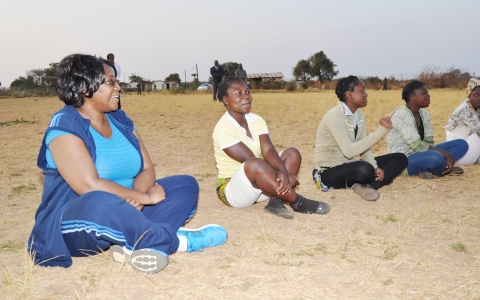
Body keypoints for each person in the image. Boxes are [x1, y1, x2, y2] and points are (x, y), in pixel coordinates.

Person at [28, 54, 227, 275]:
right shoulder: (64, 125)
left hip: (128, 208)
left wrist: (136, 197)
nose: (118, 88)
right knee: (99, 201)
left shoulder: (120, 119)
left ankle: (131, 244)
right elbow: (88, 186)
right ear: (85, 88)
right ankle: (175, 241)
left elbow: (146, 168)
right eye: (111, 82)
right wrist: (145, 198)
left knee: (185, 185)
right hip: (79, 221)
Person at [213, 76, 330, 219]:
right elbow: (250, 159)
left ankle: (276, 201)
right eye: (239, 93)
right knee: (255, 164)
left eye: (248, 92)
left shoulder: (256, 120)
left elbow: (268, 150)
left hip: (264, 185)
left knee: (292, 154)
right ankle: (298, 203)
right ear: (225, 99)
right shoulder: (223, 128)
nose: (246, 97)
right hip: (235, 191)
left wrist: (282, 171)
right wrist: (284, 176)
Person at [313, 76, 408, 201]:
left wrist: (375, 167)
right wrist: (381, 131)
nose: (366, 94)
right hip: (328, 172)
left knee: (400, 158)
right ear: (349, 94)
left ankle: (366, 185)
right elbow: (349, 151)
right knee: (364, 169)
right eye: (362, 91)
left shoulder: (358, 115)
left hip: (349, 165)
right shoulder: (335, 115)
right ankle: (365, 183)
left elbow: (364, 147)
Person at [387, 80, 468, 179]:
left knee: (461, 144)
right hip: (404, 160)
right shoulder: (401, 114)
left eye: (428, 93)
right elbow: (416, 145)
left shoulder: (424, 114)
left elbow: (429, 142)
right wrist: (445, 154)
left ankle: (433, 168)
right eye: (424, 93)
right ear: (412, 97)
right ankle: (441, 168)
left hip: (421, 154)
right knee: (436, 157)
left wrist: (443, 154)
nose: (428, 96)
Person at [444, 78, 480, 164]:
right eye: (475, 95)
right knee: (477, 135)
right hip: (458, 155)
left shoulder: (476, 108)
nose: (479, 98)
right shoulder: (464, 109)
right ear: (469, 94)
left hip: (466, 150)